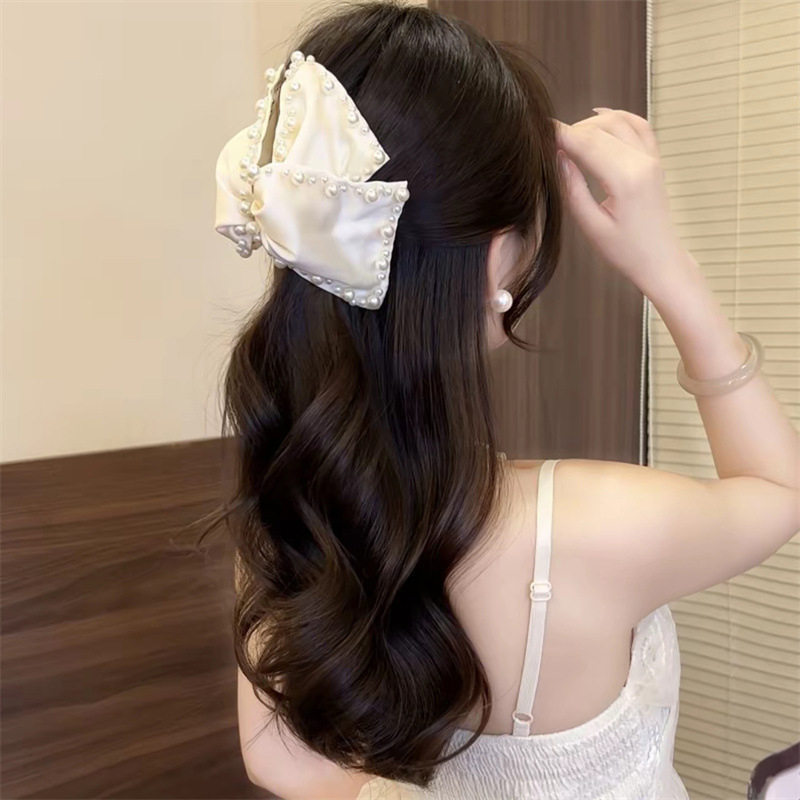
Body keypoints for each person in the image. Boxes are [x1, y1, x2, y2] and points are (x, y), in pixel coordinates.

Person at [209, 2, 800, 798]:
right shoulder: (599, 525)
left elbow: (278, 760)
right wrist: (666, 265)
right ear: (495, 263)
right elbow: (778, 490)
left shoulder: (293, 510)